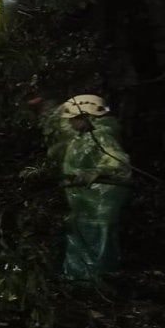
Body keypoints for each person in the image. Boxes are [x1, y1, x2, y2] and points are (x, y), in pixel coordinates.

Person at [54, 94, 131, 281]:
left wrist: (98, 173)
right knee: (82, 240)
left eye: (73, 119)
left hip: (98, 205)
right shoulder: (83, 137)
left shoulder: (101, 136)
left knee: (96, 242)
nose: (70, 123)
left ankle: (94, 282)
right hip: (85, 202)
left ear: (86, 117)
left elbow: (118, 162)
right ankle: (80, 279)